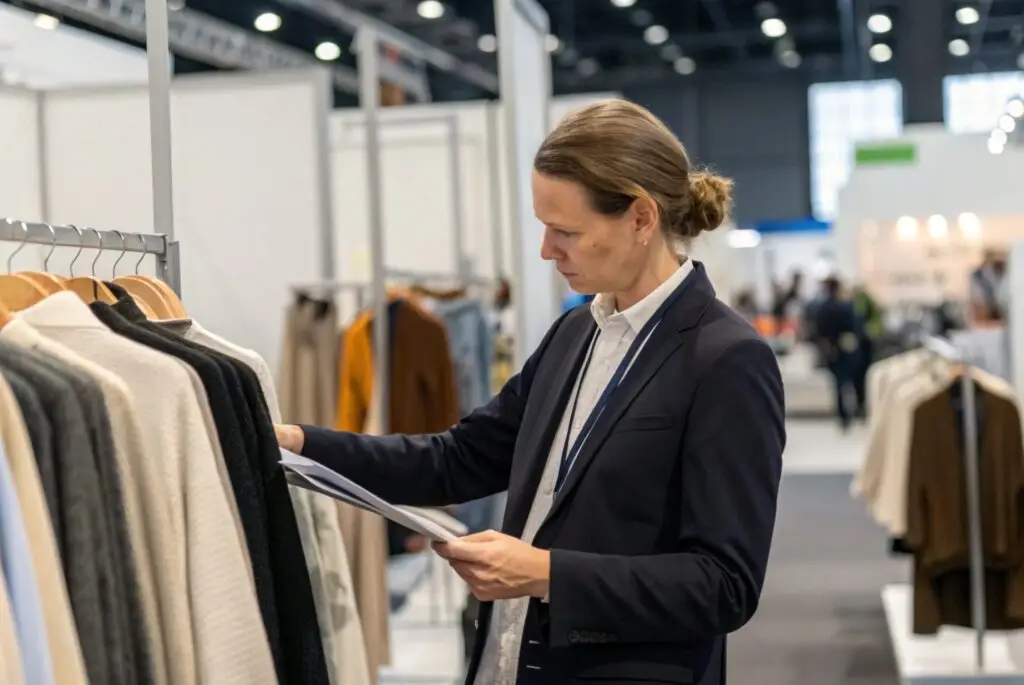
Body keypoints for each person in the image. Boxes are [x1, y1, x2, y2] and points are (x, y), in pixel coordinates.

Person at [275, 99, 785, 685]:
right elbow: (461, 458)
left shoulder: (726, 359)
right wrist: (300, 444)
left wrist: (547, 573)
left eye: (566, 231)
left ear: (642, 219)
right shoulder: (577, 332)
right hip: (510, 660)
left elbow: (724, 585)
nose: (547, 250)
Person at [813, 276, 863, 429]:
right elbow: (855, 326)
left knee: (838, 384)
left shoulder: (822, 307)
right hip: (846, 348)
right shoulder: (846, 305)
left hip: (831, 349)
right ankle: (855, 409)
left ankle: (842, 414)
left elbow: (818, 330)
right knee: (851, 381)